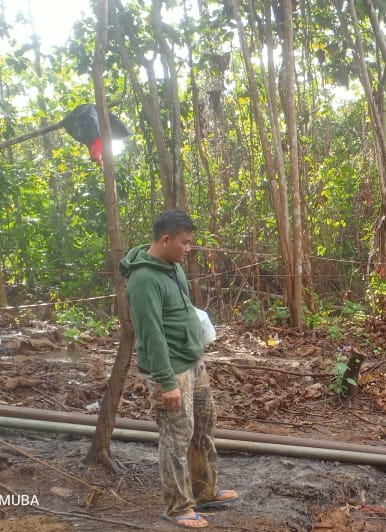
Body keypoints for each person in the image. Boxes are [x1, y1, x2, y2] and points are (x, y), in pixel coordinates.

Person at [119, 209, 238, 529]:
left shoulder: (173, 266)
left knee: (203, 427)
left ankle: (204, 491)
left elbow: (182, 309)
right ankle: (177, 507)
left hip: (192, 362)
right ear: (165, 239)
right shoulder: (143, 280)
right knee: (176, 438)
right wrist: (166, 381)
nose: (189, 249)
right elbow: (151, 333)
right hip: (170, 371)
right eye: (185, 243)